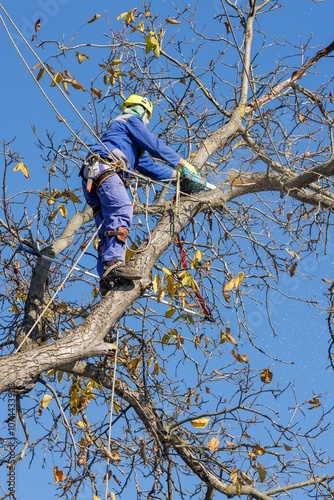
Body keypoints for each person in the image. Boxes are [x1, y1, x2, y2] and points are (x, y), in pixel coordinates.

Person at [80, 94, 202, 296]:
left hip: (94, 176)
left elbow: (150, 168)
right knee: (122, 209)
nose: (146, 123)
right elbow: (154, 145)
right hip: (104, 169)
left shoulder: (130, 146)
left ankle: (107, 278)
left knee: (106, 226)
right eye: (147, 118)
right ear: (141, 110)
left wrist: (179, 177)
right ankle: (113, 263)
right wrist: (182, 163)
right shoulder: (129, 120)